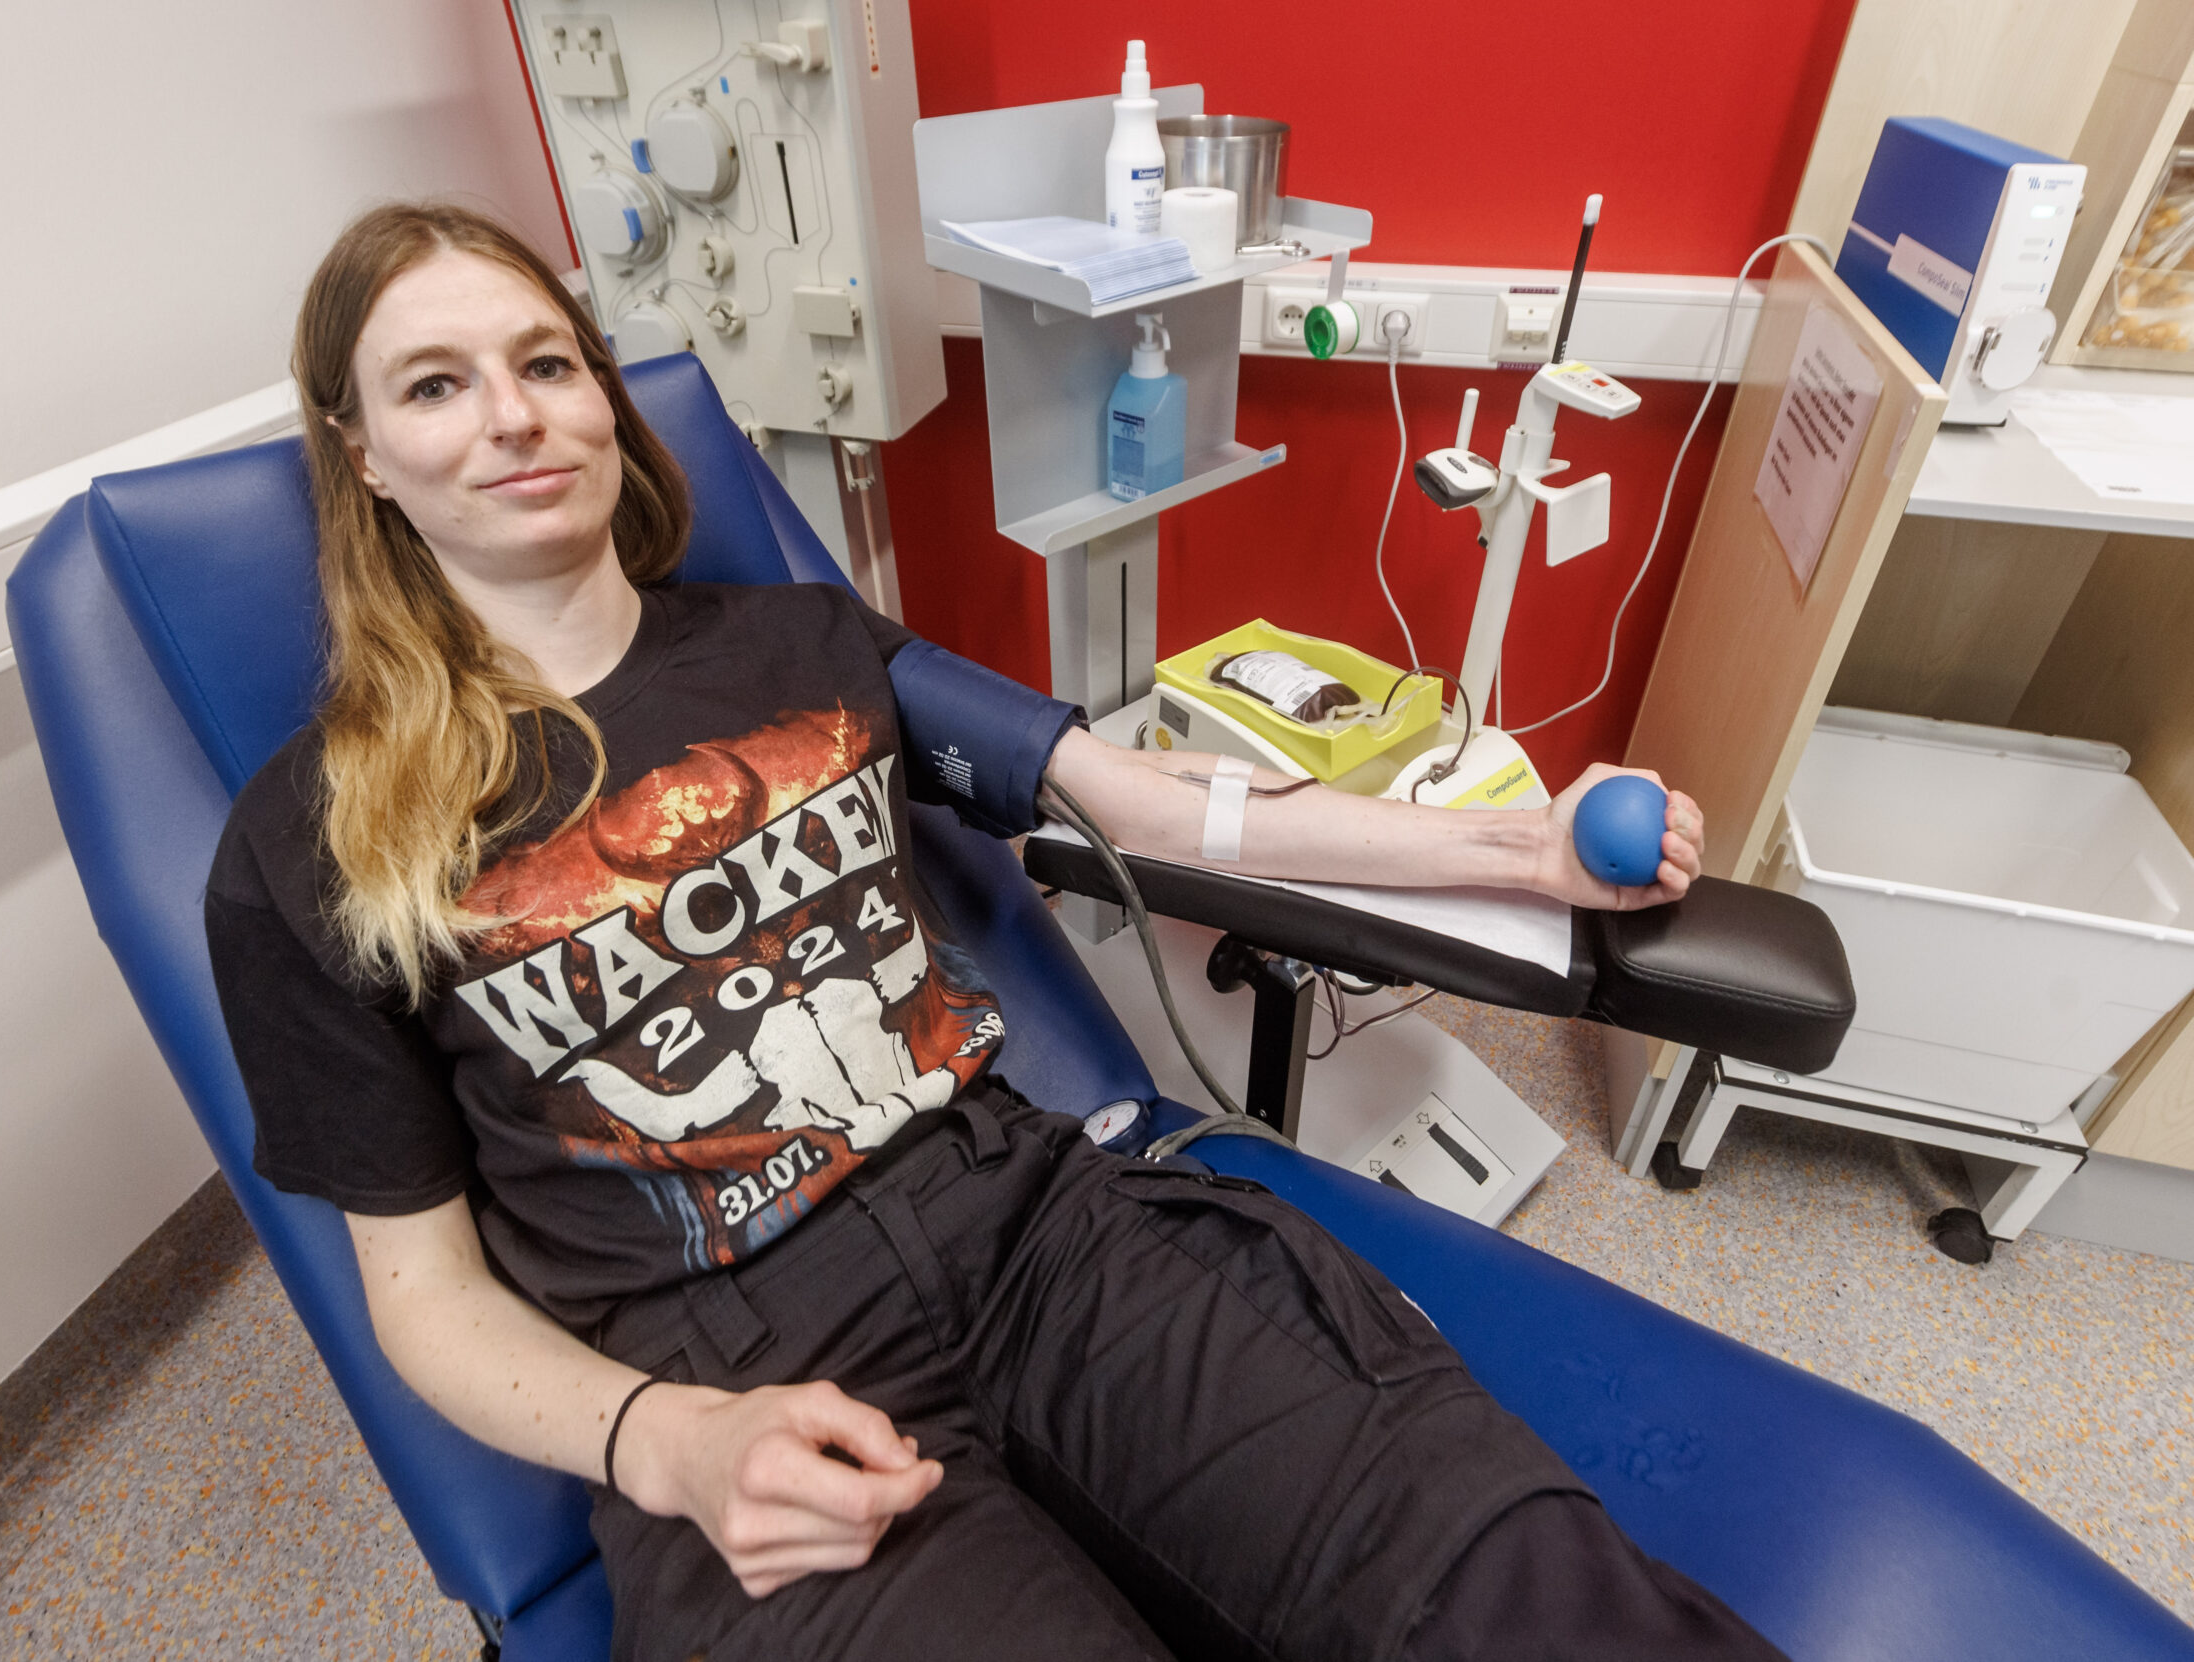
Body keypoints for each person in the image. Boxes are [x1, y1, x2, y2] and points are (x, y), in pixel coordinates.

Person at [205, 201, 1777, 1662]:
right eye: (434, 386)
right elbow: (421, 1296)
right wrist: (666, 1444)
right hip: (730, 1377)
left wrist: (1524, 841)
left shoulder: (808, 644)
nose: (512, 414)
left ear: (606, 394)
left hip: (1039, 1236)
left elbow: (1160, 808)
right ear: (363, 458)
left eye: (547, 360)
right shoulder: (313, 845)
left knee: (1513, 1586)